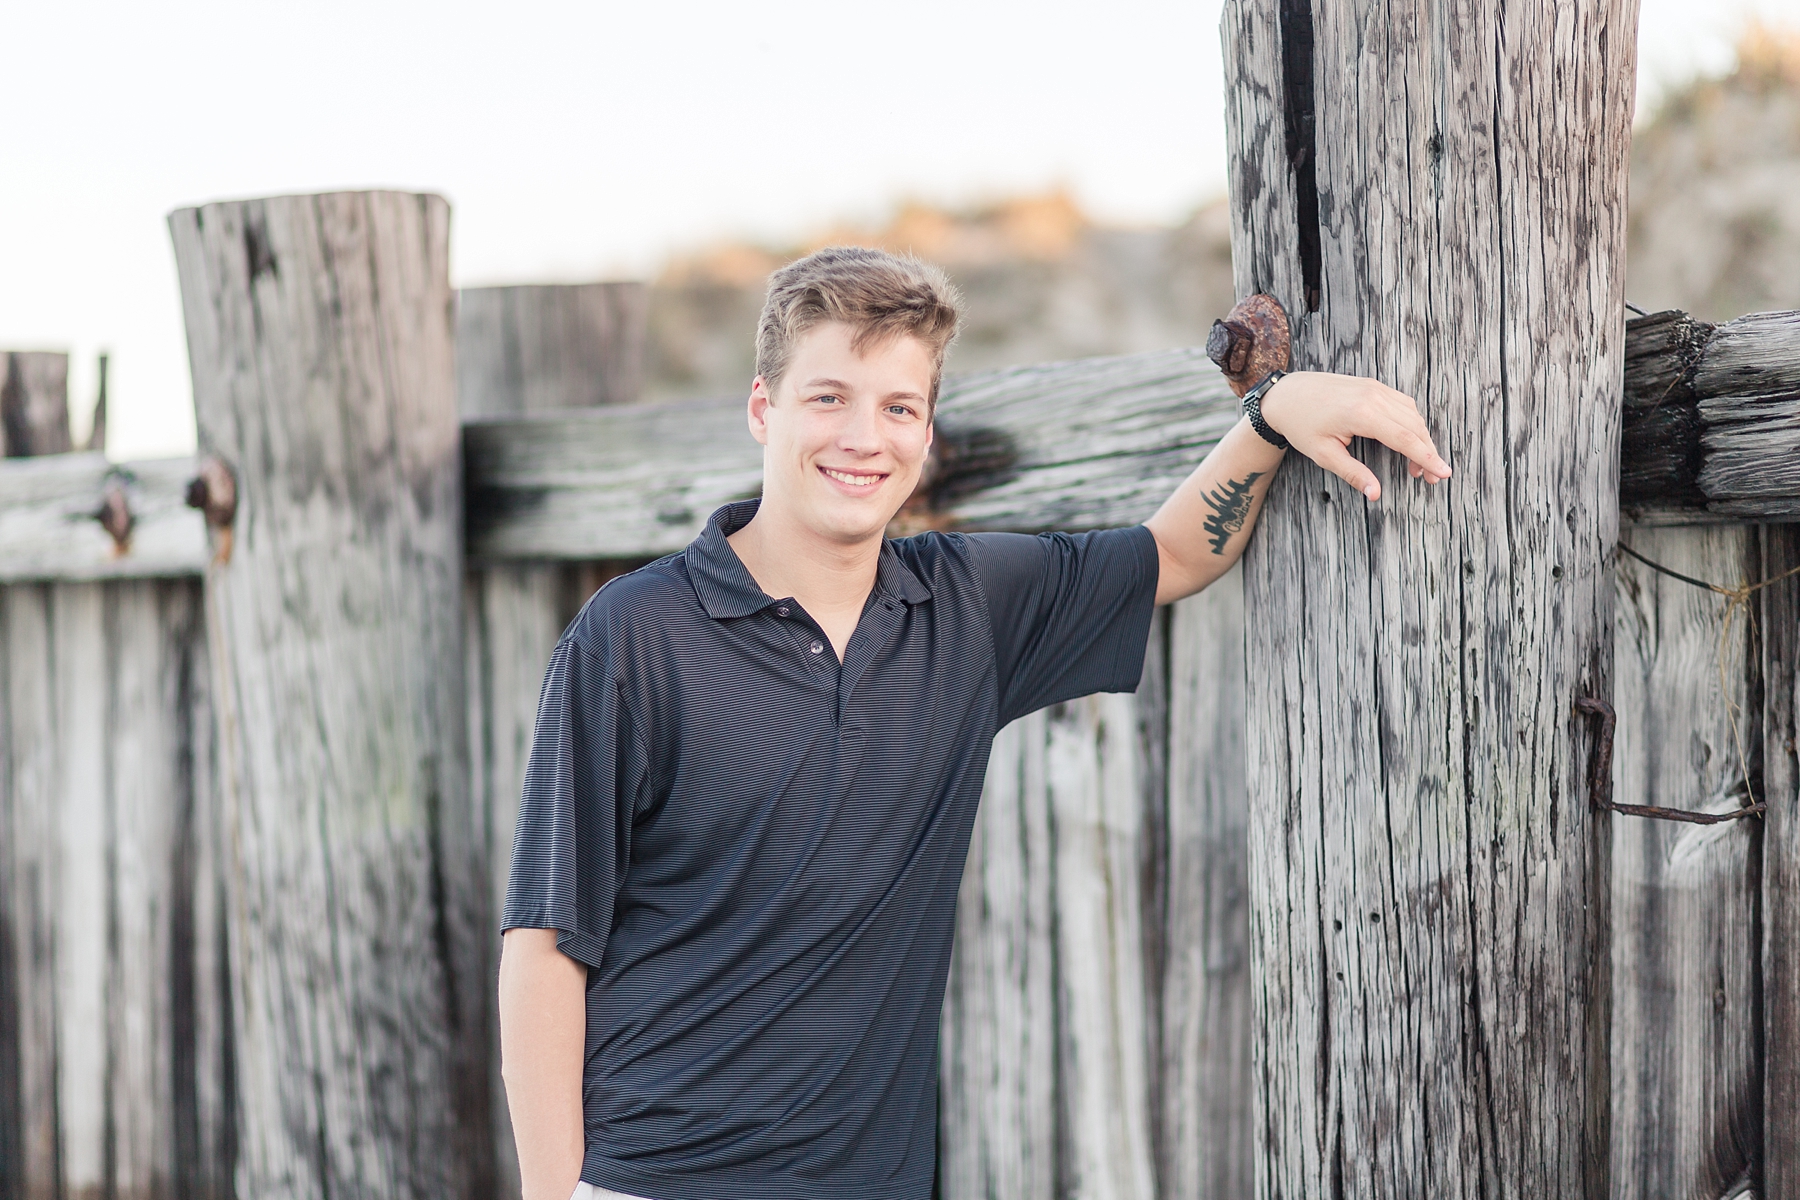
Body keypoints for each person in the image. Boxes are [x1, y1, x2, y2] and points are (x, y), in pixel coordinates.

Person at [497, 247, 1450, 1200]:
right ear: (763, 409)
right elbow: (546, 940)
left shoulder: (965, 607)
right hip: (656, 1180)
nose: (864, 437)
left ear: (924, 430)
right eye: (828, 397)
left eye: (898, 407)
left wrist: (1270, 416)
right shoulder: (637, 633)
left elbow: (1169, 556)